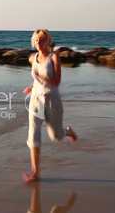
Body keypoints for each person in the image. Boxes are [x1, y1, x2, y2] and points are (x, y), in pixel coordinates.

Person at [23, 29, 78, 183]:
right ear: (33, 42)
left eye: (42, 39)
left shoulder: (54, 57)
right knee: (33, 134)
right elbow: (36, 80)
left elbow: (56, 82)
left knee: (56, 136)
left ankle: (67, 132)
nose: (39, 42)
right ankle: (35, 172)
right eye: (36, 40)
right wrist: (31, 87)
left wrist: (41, 77)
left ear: (48, 41)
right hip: (35, 100)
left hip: (52, 100)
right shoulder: (33, 58)